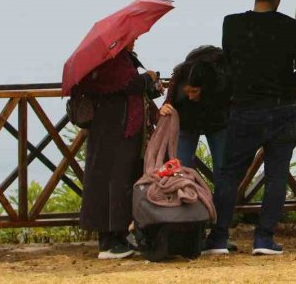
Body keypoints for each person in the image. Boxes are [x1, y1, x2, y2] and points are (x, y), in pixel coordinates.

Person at [204, 0, 296, 256]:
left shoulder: (232, 24)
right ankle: (264, 238)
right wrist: (286, 79)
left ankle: (218, 236)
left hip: (244, 107)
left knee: (229, 173)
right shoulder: (291, 27)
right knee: (277, 174)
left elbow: (228, 64)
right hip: (281, 107)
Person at [77, 41, 162, 259]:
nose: (134, 40)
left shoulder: (122, 58)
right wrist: (148, 77)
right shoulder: (109, 61)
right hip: (111, 130)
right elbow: (129, 84)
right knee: (110, 183)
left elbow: (130, 88)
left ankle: (120, 235)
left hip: (123, 130)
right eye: (130, 37)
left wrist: (150, 86)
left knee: (123, 182)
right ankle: (108, 242)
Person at [159, 45, 230, 186]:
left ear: (206, 88)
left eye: (194, 92)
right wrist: (163, 110)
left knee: (224, 171)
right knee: (180, 169)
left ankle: (222, 205)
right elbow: (167, 105)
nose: (190, 96)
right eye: (188, 92)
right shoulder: (179, 80)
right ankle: (185, 200)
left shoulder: (222, 85)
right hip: (186, 120)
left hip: (218, 120)